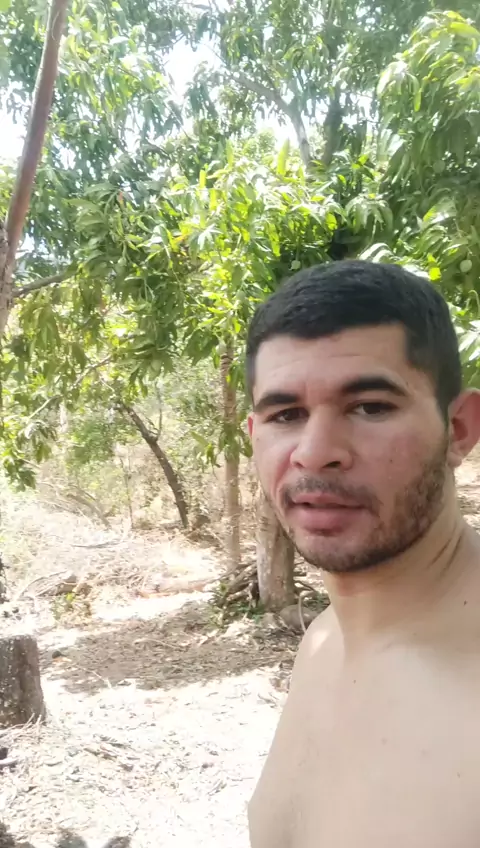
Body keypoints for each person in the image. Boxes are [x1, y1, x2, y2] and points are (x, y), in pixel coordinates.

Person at [246, 260, 480, 848]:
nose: (315, 452)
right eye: (285, 415)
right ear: (253, 435)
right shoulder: (323, 641)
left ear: (459, 429)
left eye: (370, 406)